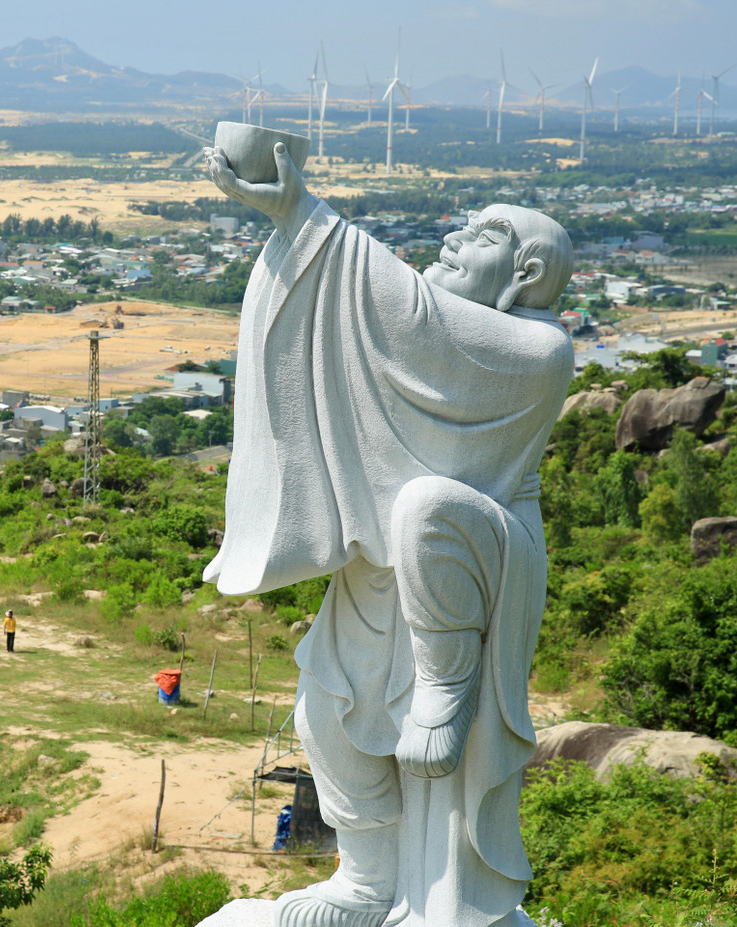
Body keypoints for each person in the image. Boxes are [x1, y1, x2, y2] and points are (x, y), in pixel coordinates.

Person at [203, 141, 575, 927]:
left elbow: (413, 320)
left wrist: (305, 215)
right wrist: (295, 223)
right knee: (325, 707)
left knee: (426, 504)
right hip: (386, 565)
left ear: (527, 274)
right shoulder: (467, 339)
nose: (455, 237)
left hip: (475, 560)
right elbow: (400, 340)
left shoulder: (542, 349)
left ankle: (446, 684)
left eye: (484, 235)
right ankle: (368, 882)